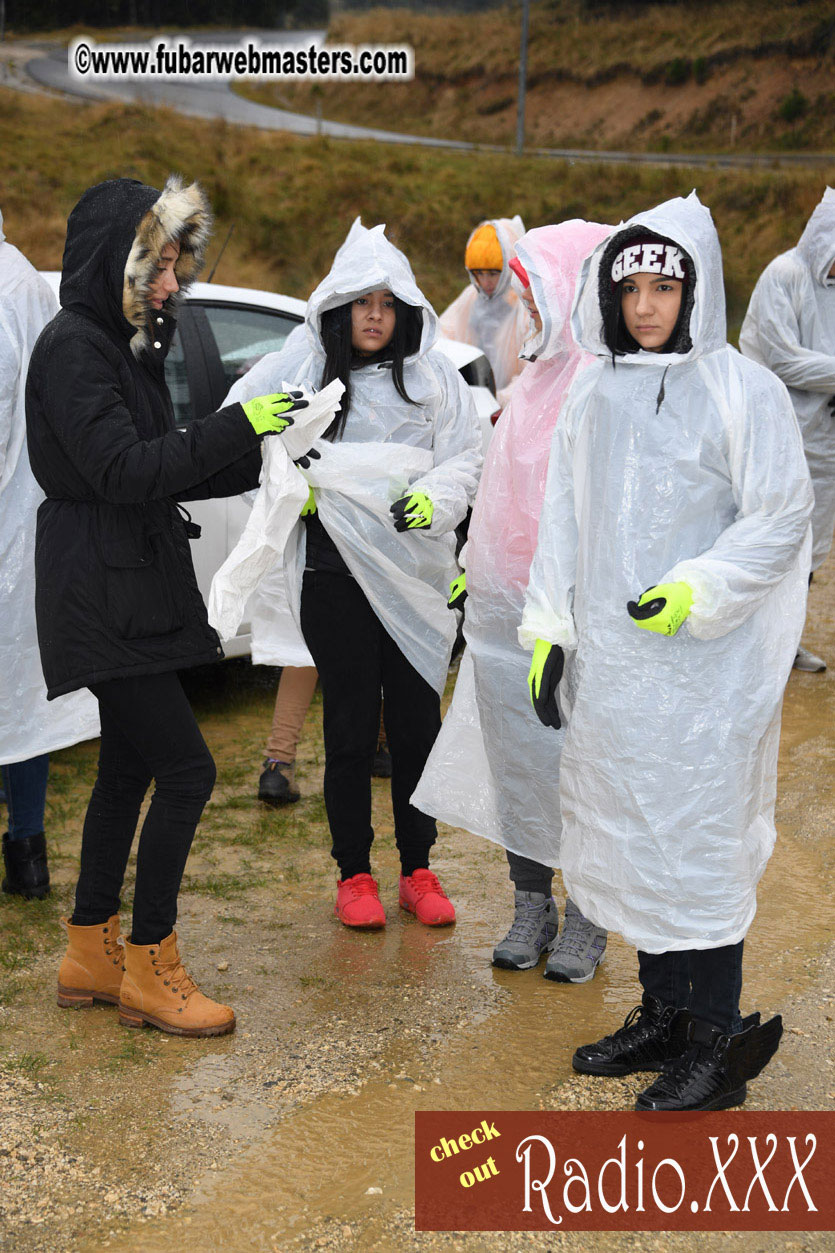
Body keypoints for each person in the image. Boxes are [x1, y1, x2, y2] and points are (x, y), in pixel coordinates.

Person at [522, 192, 813, 1110]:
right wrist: (548, 628)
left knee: (698, 843)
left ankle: (714, 1041)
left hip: (702, 674)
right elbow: (564, 516)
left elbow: (780, 516)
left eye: (663, 287)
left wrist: (699, 587)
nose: (645, 305)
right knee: (630, 830)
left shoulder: (742, 390)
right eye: (630, 288)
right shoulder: (593, 390)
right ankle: (663, 1013)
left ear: (696, 290)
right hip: (616, 670)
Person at [25, 176, 306, 1036]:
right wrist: (236, 422)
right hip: (99, 584)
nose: (173, 283)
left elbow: (165, 464)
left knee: (128, 768)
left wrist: (272, 448)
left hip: (128, 578)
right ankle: (151, 964)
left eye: (178, 265)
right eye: (160, 267)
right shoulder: (75, 348)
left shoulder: (123, 345)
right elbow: (122, 470)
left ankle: (89, 951)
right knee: (188, 769)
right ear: (119, 262)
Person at [225, 220, 482, 929]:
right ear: (338, 308)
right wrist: (293, 487)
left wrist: (439, 498)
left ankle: (418, 868)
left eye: (387, 303)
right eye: (362, 302)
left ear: (405, 311)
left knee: (414, 728)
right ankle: (354, 874)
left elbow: (469, 454)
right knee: (347, 728)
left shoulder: (433, 378)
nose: (374, 316)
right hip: (334, 577)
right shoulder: (304, 369)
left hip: (415, 579)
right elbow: (241, 428)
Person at [413, 219, 611, 982]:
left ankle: (588, 910)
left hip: (574, 619)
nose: (521, 315)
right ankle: (532, 901)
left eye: (532, 300)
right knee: (518, 764)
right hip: (501, 619)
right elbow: (497, 489)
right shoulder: (525, 389)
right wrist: (472, 566)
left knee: (581, 764)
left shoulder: (601, 392)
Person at [0, 209, 99, 899]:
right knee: (19, 685)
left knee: (18, 683)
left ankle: (27, 845)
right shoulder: (29, 285)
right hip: (31, 519)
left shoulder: (12, 288)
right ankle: (26, 850)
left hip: (18, 517)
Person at [740, 187, 835, 672]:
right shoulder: (784, 276)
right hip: (780, 432)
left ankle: (787, 641)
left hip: (825, 438)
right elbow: (784, 360)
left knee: (812, 547)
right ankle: (756, 642)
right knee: (774, 536)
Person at [440, 217, 528, 408]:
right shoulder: (471, 297)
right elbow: (442, 338)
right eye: (479, 273)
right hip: (471, 404)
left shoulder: (524, 305)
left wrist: (502, 399)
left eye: (493, 273)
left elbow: (533, 371)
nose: (485, 282)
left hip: (510, 409)